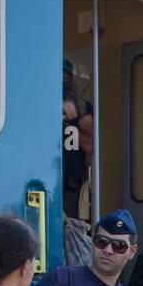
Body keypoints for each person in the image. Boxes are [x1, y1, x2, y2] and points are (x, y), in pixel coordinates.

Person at [61, 90, 94, 266]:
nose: (62, 120)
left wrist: (71, 126)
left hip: (71, 196)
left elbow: (92, 145)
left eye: (67, 117)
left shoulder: (74, 130)